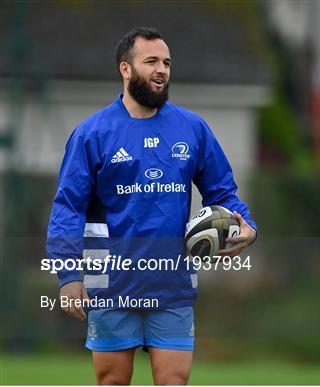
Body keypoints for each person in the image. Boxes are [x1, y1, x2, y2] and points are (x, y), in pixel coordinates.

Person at [46, 27, 257, 385]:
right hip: (108, 281)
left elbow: (222, 192)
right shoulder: (92, 133)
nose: (162, 69)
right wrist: (68, 276)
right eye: (151, 61)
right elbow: (68, 208)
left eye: (167, 62)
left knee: (173, 381)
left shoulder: (192, 129)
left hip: (172, 281)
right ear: (125, 69)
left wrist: (246, 225)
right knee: (112, 381)